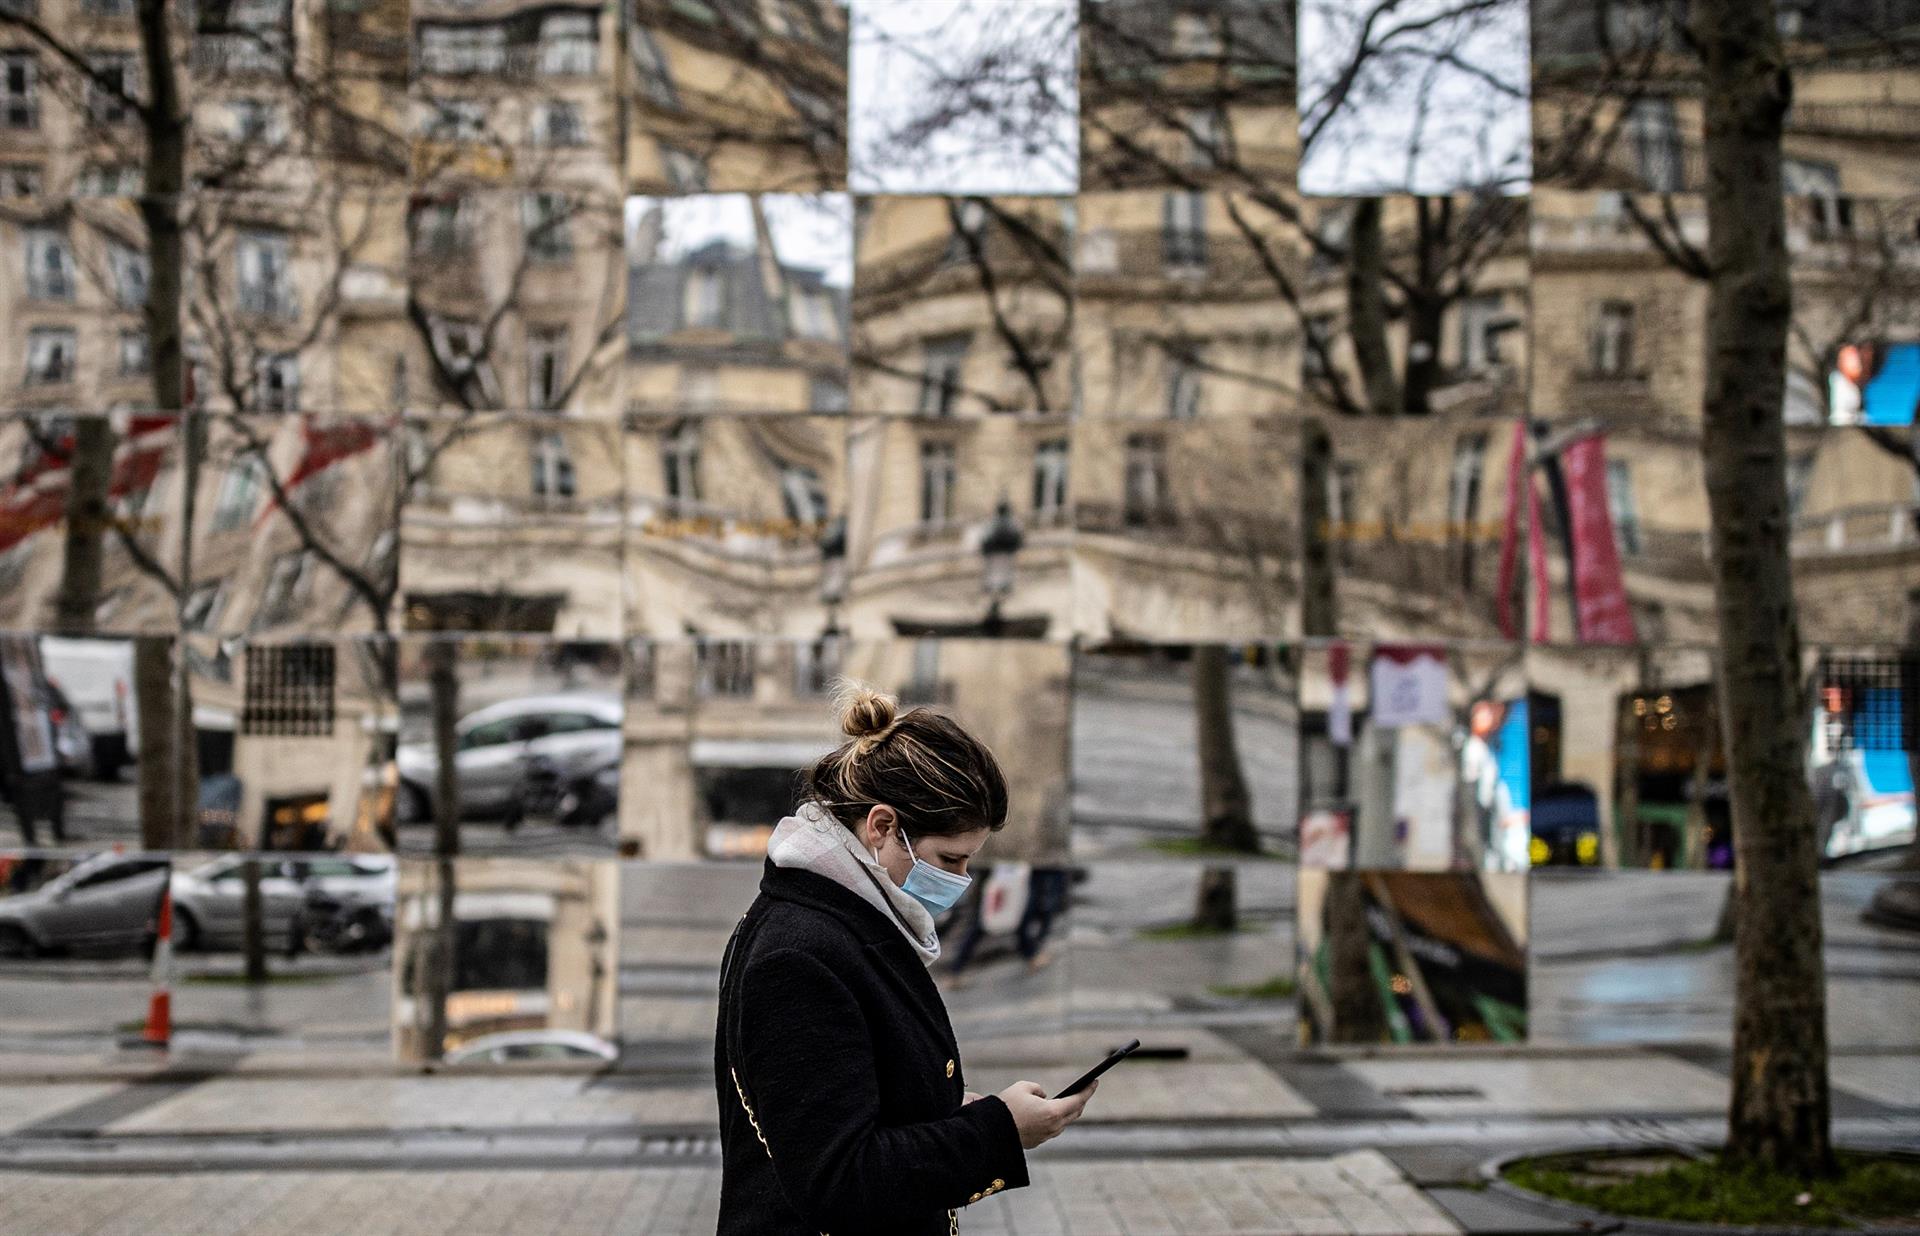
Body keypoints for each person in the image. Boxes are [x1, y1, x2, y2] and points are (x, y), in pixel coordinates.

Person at [715, 682, 1097, 1235]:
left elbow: (851, 1105)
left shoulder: (846, 921)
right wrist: (999, 1131)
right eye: (950, 859)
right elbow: (839, 1179)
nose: (962, 880)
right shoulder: (800, 954)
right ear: (882, 826)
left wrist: (949, 1110)